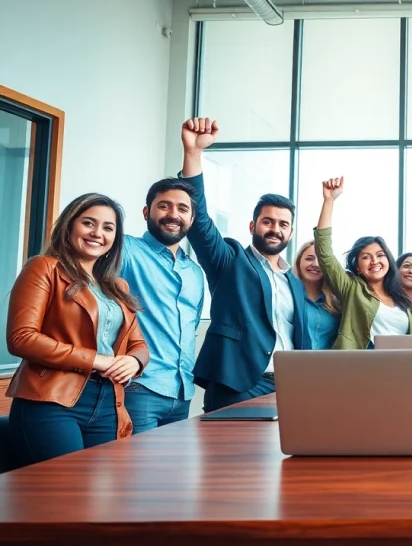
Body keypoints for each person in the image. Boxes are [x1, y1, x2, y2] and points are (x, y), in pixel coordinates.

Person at [6, 193, 149, 466]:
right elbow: (21, 338)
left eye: (108, 228)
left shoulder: (117, 286)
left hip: (108, 402)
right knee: (67, 488)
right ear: (69, 226)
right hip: (52, 399)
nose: (97, 233)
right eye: (88, 223)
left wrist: (134, 361)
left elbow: (138, 345)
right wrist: (96, 360)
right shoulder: (44, 268)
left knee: (106, 489)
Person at [178, 117, 310, 411]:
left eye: (283, 224)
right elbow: (199, 223)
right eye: (268, 222)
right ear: (253, 225)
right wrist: (193, 153)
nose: (275, 229)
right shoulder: (230, 260)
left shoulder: (295, 283)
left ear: (290, 233)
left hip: (289, 385)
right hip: (239, 384)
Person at [119, 178, 205, 434]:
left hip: (182, 392)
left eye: (182, 209)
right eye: (164, 206)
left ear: (191, 218)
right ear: (146, 212)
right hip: (139, 387)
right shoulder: (126, 249)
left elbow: (191, 328)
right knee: (138, 462)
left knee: (172, 462)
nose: (173, 215)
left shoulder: (195, 272)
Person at [314, 177, 412, 349]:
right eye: (366, 257)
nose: (374, 261)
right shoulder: (351, 288)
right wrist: (329, 201)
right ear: (357, 266)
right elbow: (324, 253)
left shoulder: (402, 299)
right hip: (359, 363)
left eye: (380, 255)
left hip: (400, 365)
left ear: (388, 260)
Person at [292, 241, 342, 350]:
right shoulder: (289, 296)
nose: (315, 264)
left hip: (329, 360)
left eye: (321, 259)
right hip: (292, 359)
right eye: (309, 258)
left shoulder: (336, 302)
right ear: (299, 262)